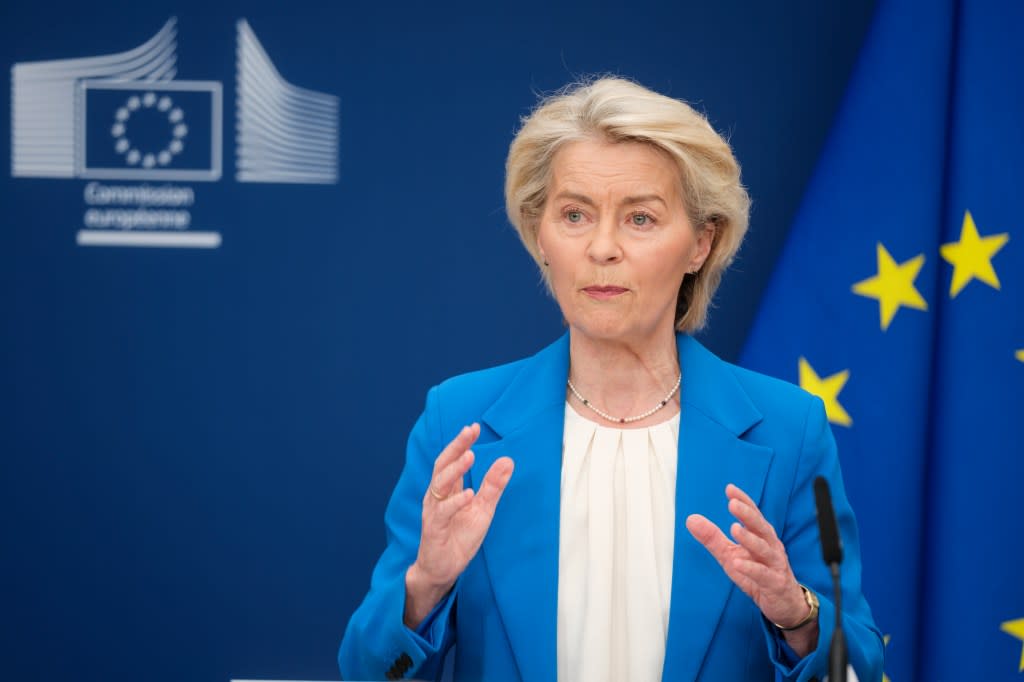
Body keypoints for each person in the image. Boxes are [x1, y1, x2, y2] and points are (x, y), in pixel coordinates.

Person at [338, 77, 884, 682]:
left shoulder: (788, 429)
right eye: (575, 214)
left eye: (640, 218)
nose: (602, 247)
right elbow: (367, 671)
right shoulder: (459, 420)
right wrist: (425, 587)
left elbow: (859, 664)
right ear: (540, 236)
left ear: (701, 243)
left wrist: (796, 615)